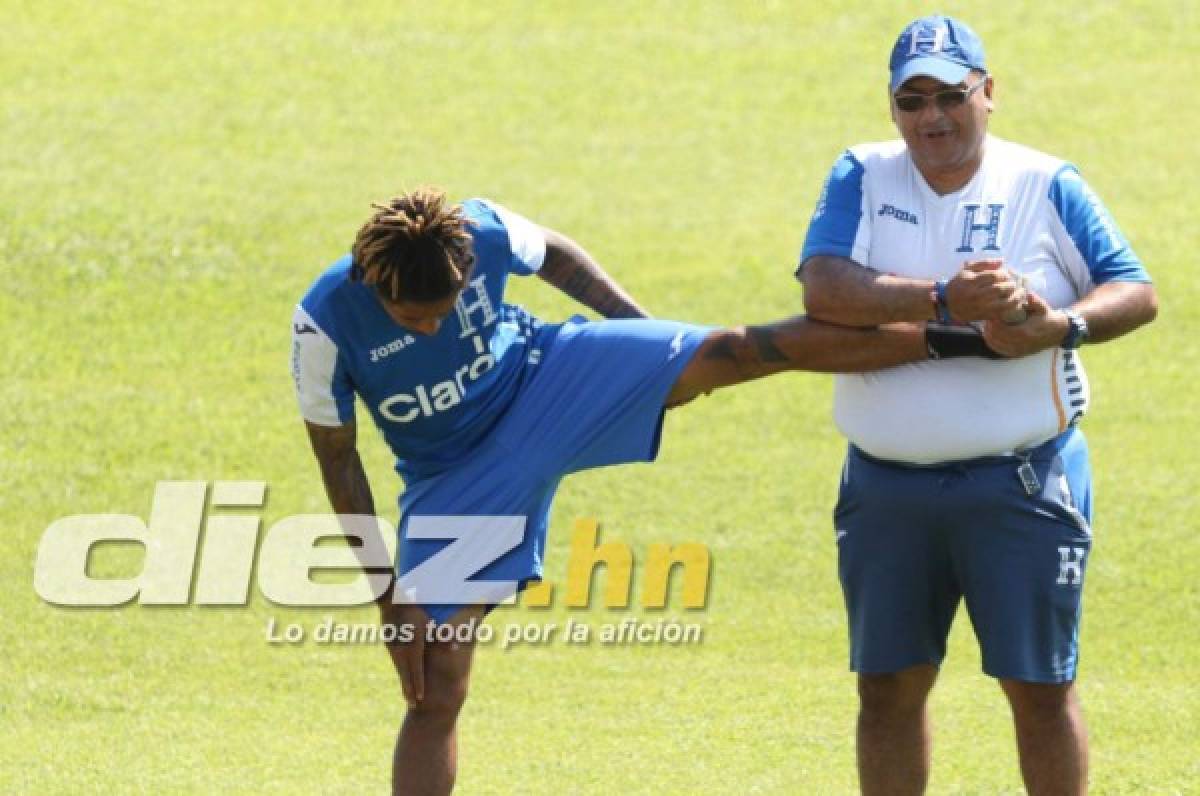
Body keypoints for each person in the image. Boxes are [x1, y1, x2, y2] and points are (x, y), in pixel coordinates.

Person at [291, 187, 992, 795]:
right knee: (432, 680)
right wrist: (390, 598)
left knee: (733, 352)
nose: (433, 327)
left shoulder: (483, 232)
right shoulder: (324, 323)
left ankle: (942, 338)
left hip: (546, 379)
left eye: (444, 309)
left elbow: (557, 255)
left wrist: (637, 331)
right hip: (456, 475)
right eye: (415, 319)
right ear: (372, 283)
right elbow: (339, 460)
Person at [797, 14, 1158, 796]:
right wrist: (943, 298)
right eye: (912, 100)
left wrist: (1059, 327)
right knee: (885, 686)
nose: (932, 117)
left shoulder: (1043, 182)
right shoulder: (861, 173)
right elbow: (823, 287)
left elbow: (1135, 290)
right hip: (886, 486)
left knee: (1039, 687)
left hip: (1020, 484)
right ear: (892, 107)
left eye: (951, 96)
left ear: (988, 93)